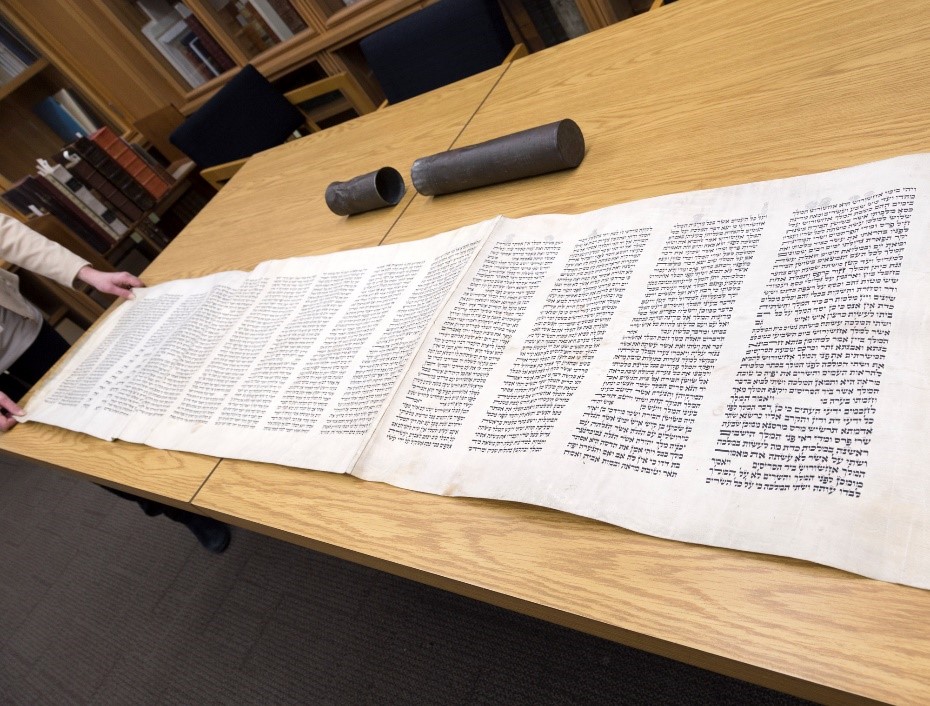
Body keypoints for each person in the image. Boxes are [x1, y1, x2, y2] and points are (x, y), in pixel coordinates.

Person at [0, 214, 231, 553]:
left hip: (25, 335)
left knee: (112, 408)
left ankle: (200, 476)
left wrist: (87, 274)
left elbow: (5, 233)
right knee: (82, 452)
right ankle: (175, 509)